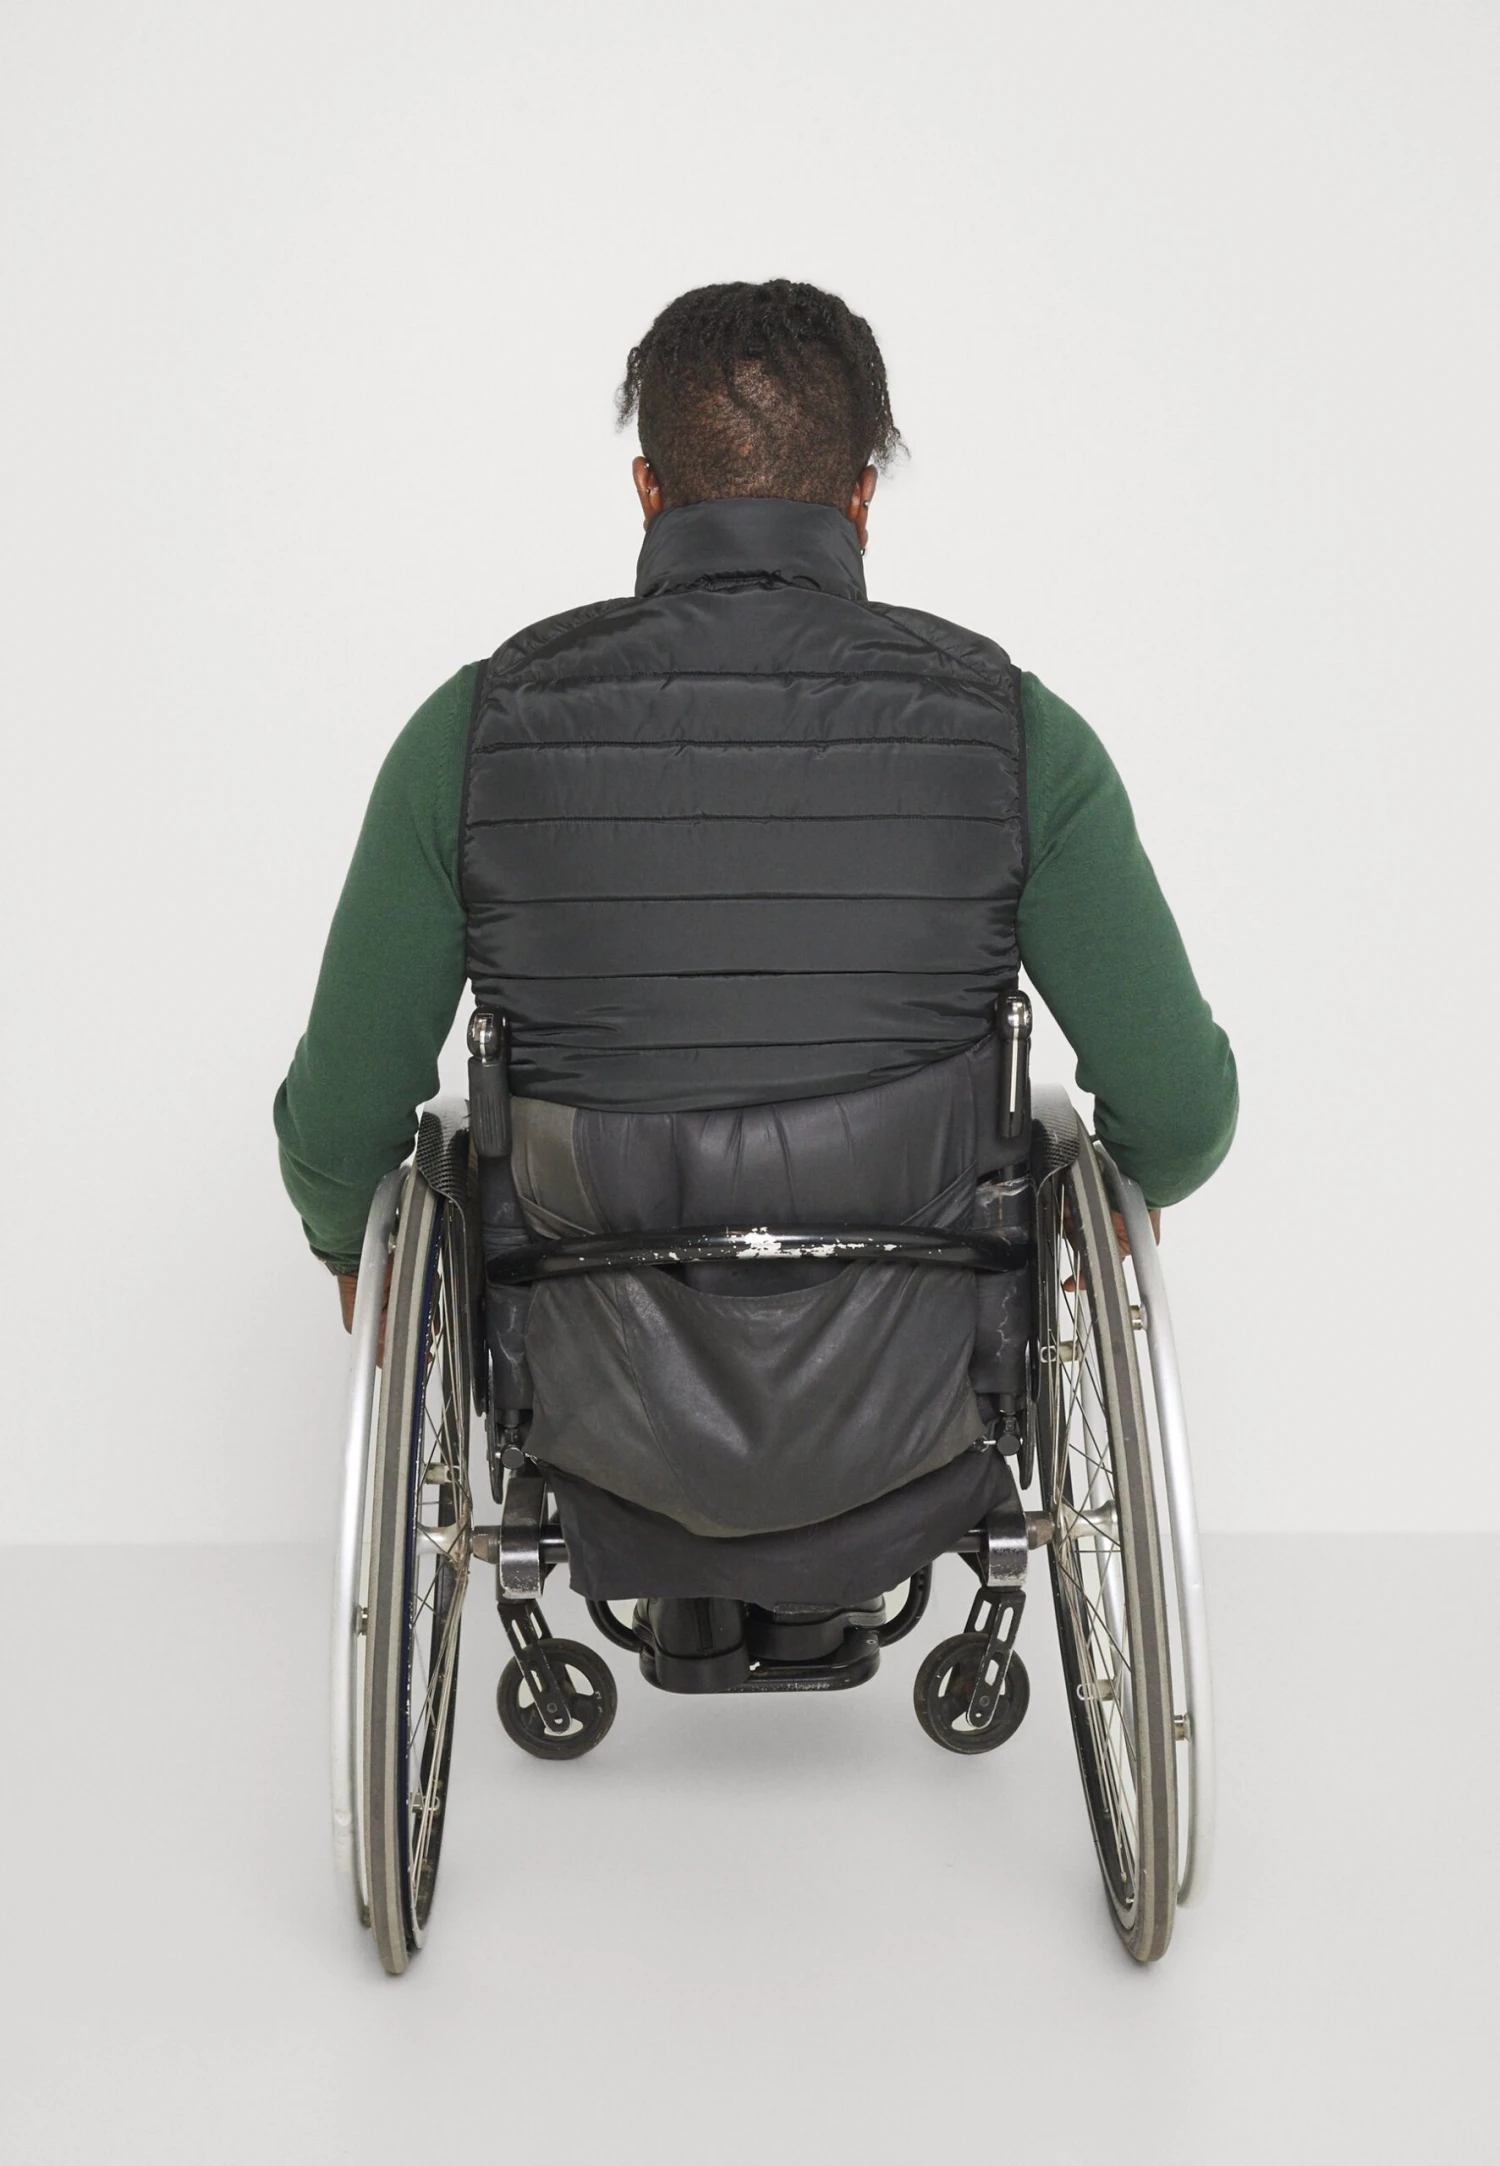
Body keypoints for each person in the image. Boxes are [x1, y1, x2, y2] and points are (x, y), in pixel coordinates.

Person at [274, 279, 1236, 1346]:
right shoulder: (1018, 736)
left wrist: (350, 1245)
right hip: (929, 1369)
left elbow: (339, 1130)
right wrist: (1131, 1189)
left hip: (582, 1375)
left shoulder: (472, 733)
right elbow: (1179, 1110)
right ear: (861, 499)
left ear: (649, 490)